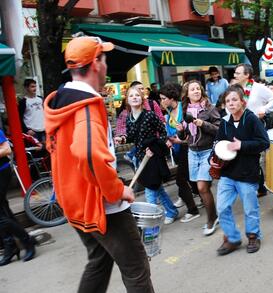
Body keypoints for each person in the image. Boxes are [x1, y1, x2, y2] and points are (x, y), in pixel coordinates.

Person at [44, 36, 154, 292]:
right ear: (95, 64)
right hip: (102, 205)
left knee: (99, 261)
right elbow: (88, 154)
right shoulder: (86, 107)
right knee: (137, 269)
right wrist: (117, 190)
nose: (107, 64)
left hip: (75, 202)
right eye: (104, 58)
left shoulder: (63, 100)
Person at [210, 85, 270, 255]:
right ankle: (232, 238)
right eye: (227, 101)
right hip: (227, 173)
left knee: (250, 208)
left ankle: (253, 236)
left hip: (247, 173)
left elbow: (264, 142)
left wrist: (241, 145)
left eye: (234, 99)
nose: (231, 103)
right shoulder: (224, 122)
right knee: (222, 207)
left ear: (242, 101)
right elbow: (217, 142)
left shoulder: (251, 119)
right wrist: (213, 158)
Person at [115, 85, 178, 225]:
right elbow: (131, 136)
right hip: (140, 156)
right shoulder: (129, 117)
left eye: (137, 95)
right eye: (131, 96)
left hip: (153, 156)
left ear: (142, 98)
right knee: (156, 187)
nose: (134, 97)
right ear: (127, 100)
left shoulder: (149, 115)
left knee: (150, 189)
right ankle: (172, 211)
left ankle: (150, 222)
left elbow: (163, 132)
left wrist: (155, 146)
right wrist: (123, 138)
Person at [177, 80, 220, 236]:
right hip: (192, 152)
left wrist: (203, 124)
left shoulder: (209, 108)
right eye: (192, 89)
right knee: (201, 189)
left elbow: (219, 129)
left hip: (207, 151)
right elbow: (184, 135)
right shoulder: (185, 109)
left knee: (202, 187)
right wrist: (181, 131)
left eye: (198, 89)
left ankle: (211, 219)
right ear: (187, 94)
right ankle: (214, 215)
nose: (196, 91)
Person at [233, 63, 273, 197]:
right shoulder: (235, 89)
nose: (234, 75)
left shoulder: (258, 88)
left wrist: (264, 110)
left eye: (238, 73)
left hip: (255, 127)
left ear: (247, 75)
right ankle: (259, 186)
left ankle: (254, 186)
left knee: (253, 157)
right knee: (245, 156)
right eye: (235, 73)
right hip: (239, 127)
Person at [159, 82, 200, 223]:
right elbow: (171, 131)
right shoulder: (168, 111)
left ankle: (193, 209)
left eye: (164, 98)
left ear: (171, 97)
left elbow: (191, 134)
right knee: (189, 178)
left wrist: (179, 140)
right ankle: (202, 197)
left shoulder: (184, 108)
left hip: (187, 148)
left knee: (180, 180)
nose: (162, 101)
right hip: (177, 149)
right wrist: (170, 140)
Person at [0, 129, 37, 266]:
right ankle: (11, 246)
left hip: (1, 172)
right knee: (4, 212)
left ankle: (26, 240)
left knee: (1, 217)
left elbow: (6, 149)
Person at [18, 79, 45, 143]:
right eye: (32, 87)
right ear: (26, 88)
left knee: (47, 150)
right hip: (32, 131)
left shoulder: (40, 99)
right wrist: (26, 130)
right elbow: (19, 117)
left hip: (44, 129)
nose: (34, 88)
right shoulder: (23, 102)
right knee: (36, 151)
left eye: (35, 86)